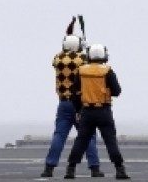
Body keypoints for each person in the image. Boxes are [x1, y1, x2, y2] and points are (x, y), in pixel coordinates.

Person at [42, 28, 102, 178]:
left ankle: (49, 167)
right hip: (80, 104)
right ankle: (94, 167)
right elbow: (94, 63)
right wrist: (88, 48)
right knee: (88, 136)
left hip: (63, 103)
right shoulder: (82, 59)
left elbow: (67, 57)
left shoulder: (58, 59)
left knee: (59, 136)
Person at [64, 44, 129, 180]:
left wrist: (78, 110)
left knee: (81, 141)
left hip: (87, 111)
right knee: (110, 141)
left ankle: (70, 169)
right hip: (104, 111)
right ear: (104, 55)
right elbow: (117, 91)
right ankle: (120, 169)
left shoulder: (81, 71)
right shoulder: (107, 71)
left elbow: (75, 94)